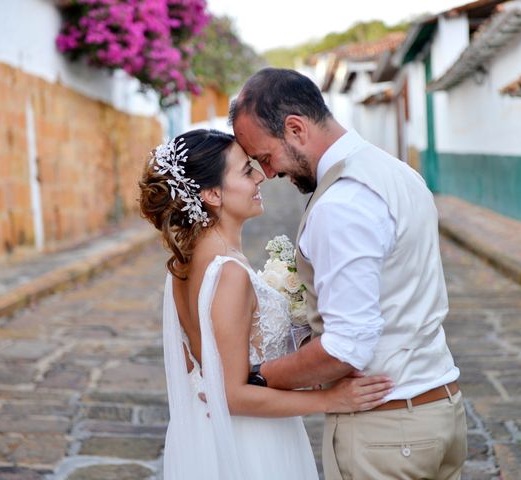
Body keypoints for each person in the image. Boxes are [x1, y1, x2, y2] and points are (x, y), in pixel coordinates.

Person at [230, 68, 468, 480]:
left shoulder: (340, 205)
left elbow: (347, 347)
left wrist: (257, 378)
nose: (268, 174)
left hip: (387, 434)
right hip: (441, 409)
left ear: (295, 128)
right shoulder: (398, 174)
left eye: (266, 157)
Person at [138, 129, 393, 480]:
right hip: (249, 442)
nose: (261, 176)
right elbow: (232, 394)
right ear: (212, 194)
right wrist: (332, 400)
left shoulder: (185, 264)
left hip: (208, 434)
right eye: (246, 171)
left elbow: (202, 373)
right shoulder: (228, 273)